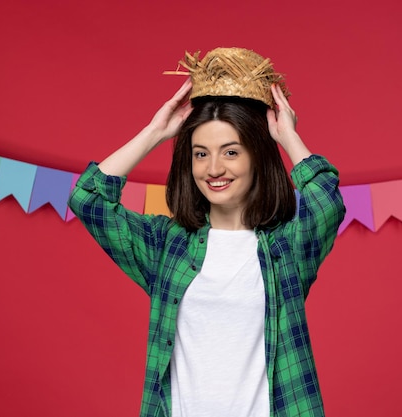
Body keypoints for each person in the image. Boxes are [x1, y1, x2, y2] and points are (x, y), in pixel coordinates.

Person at [68, 48, 346, 417]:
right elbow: (87, 198)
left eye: (231, 152)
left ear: (257, 157)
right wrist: (155, 132)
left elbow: (327, 202)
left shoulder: (286, 249)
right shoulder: (168, 247)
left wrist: (287, 137)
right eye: (201, 154)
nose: (214, 168)